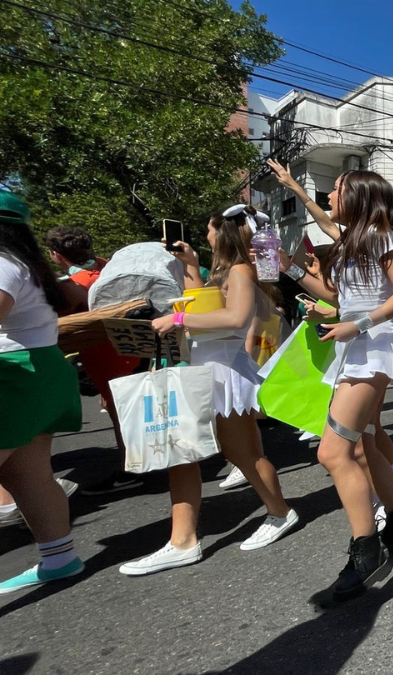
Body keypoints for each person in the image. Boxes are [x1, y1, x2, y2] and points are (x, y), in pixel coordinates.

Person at [269, 161, 393, 599]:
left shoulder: (381, 236)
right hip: (355, 350)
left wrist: (355, 325)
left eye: (336, 190)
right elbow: (339, 298)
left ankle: (367, 549)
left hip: (371, 350)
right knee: (365, 444)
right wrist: (291, 268)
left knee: (333, 451)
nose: (330, 198)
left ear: (357, 196)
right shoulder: (351, 243)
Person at [127, 210, 300, 576]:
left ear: (223, 233)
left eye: (208, 230)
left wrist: (177, 319)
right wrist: (190, 266)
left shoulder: (239, 271)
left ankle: (279, 513)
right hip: (209, 372)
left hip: (224, 374)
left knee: (242, 453)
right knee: (188, 454)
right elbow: (200, 302)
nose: (205, 236)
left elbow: (235, 319)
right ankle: (184, 538)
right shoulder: (226, 271)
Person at [0, 192, 86, 594]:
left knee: (29, 474)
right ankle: (59, 556)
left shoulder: (2, 265)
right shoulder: (25, 266)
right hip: (41, 369)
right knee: (29, 473)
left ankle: (59, 556)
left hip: (16, 376)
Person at [42, 227, 146, 495]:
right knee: (130, 405)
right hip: (129, 343)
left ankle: (130, 469)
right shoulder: (108, 267)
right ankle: (141, 461)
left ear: (56, 255)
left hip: (102, 351)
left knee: (119, 411)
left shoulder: (72, 285)